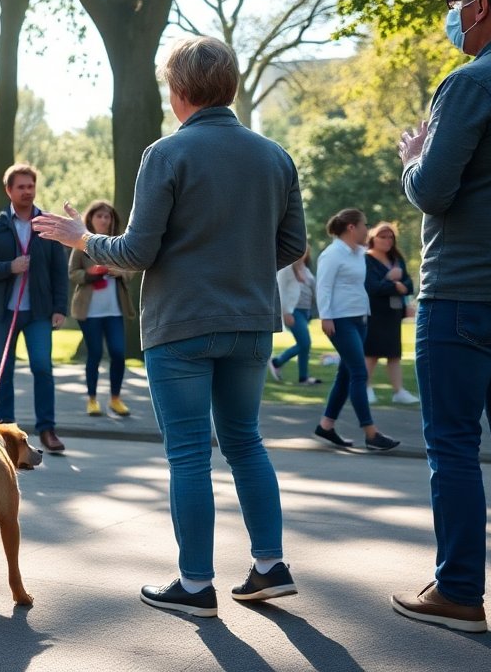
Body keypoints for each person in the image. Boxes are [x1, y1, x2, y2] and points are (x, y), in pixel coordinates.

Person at [33, 36, 306, 616]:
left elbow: (136, 249)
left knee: (188, 455)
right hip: (251, 322)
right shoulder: (275, 156)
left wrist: (80, 236)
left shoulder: (167, 154)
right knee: (246, 442)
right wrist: (239, 265)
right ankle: (269, 565)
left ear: (179, 91)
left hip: (181, 323)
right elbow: (291, 245)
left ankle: (196, 582)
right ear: (228, 85)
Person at [391, 0, 491, 633]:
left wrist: (413, 159)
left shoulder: (471, 83)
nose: (453, 12)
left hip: (466, 290)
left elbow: (435, 190)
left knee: (451, 443)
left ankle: (459, 590)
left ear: (479, 7)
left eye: (458, 0)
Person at [0, 164, 68, 454]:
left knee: (42, 367)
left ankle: (47, 429)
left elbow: (59, 271)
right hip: (3, 312)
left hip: (39, 312)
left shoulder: (48, 225)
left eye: (31, 186)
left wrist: (59, 307)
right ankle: (5, 431)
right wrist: (9, 267)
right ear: (9, 190)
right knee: (4, 372)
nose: (27, 191)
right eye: (21, 187)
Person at [313, 209, 400, 452]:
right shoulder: (332, 254)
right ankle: (370, 433)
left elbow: (379, 267)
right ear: (352, 227)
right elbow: (324, 287)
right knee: (360, 373)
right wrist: (326, 316)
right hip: (340, 321)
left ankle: (326, 425)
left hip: (360, 318)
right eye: (364, 225)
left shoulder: (359, 253)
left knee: (346, 374)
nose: (367, 229)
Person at [68, 200, 135, 417]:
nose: (104, 220)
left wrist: (119, 272)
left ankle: (115, 399)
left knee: (117, 353)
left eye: (108, 217)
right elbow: (72, 273)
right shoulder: (82, 242)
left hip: (114, 310)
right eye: (100, 216)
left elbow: (132, 268)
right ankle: (92, 400)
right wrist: (90, 273)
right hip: (90, 312)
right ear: (91, 219)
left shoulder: (120, 242)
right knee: (95, 354)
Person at [363, 222, 418, 405]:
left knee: (394, 353)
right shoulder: (367, 259)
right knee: (372, 352)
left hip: (393, 313)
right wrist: (392, 283)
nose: (387, 241)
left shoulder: (396, 258)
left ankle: (398, 390)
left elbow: (408, 285)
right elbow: (371, 286)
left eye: (390, 237)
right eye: (383, 237)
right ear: (373, 238)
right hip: (374, 312)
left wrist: (400, 286)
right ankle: (366, 387)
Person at [269, 245, 321, 386]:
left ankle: (303, 377)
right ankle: (277, 361)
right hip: (293, 311)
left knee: (304, 345)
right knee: (305, 343)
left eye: (305, 251)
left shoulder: (305, 269)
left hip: (305, 312)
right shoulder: (287, 268)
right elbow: (280, 290)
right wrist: (285, 311)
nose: (302, 254)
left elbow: (313, 290)